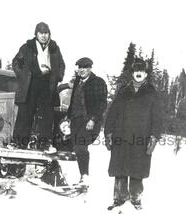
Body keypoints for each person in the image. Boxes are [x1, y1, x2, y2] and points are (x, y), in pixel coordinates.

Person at [104, 57, 162, 210]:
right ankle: (119, 199)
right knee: (120, 169)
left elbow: (157, 118)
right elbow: (112, 113)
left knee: (137, 170)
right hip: (121, 136)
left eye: (141, 71)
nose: (138, 73)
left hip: (141, 138)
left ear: (146, 74)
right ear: (132, 73)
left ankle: (136, 200)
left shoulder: (152, 93)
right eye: (136, 71)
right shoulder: (123, 91)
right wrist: (108, 132)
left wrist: (154, 137)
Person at [12, 22, 65, 152]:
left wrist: (56, 76)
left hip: (47, 85)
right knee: (25, 113)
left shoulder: (54, 48)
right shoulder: (27, 47)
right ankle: (20, 143)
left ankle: (45, 143)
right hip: (30, 85)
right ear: (36, 34)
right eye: (41, 33)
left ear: (49, 34)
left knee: (46, 115)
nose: (43, 36)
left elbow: (61, 66)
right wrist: (23, 76)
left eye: (46, 33)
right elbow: (16, 63)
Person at [67, 57, 107, 186]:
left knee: (80, 145)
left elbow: (102, 104)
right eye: (80, 67)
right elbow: (73, 102)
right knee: (75, 147)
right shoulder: (78, 82)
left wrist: (93, 119)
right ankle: (81, 176)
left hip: (89, 122)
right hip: (76, 120)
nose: (82, 70)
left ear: (90, 68)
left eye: (85, 67)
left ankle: (85, 176)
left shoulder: (98, 82)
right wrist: (68, 117)